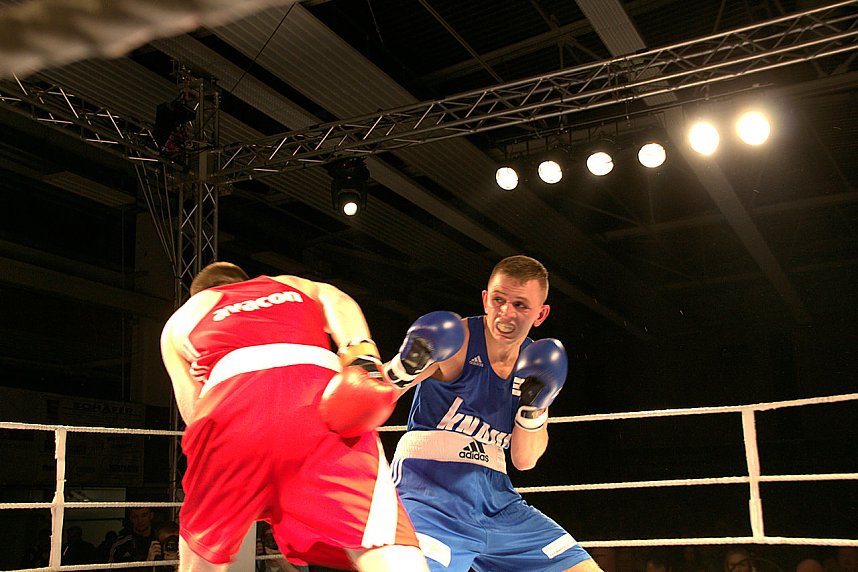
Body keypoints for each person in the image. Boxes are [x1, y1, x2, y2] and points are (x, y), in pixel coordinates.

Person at [160, 261, 430, 572]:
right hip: (317, 397)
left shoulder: (181, 319)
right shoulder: (287, 283)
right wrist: (363, 360)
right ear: (244, 281)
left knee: (201, 556)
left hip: (229, 410)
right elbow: (337, 300)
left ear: (199, 292)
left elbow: (192, 411)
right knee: (382, 545)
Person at [386, 255, 603, 571]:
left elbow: (524, 460)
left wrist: (534, 408)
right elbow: (380, 393)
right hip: (427, 494)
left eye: (520, 305)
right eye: (499, 300)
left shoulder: (538, 365)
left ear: (540, 314)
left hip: (498, 502)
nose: (506, 312)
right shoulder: (456, 341)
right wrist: (402, 367)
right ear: (486, 299)